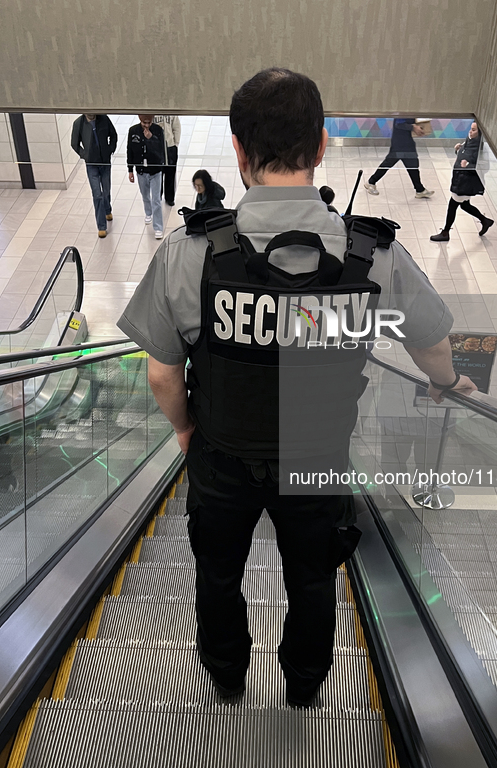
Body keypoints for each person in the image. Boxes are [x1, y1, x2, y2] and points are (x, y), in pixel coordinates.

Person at [117, 68, 475, 708]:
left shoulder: (188, 254)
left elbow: (163, 372)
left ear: (237, 150)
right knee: (313, 580)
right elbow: (432, 344)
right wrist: (447, 383)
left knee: (219, 575)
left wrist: (182, 430)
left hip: (221, 458)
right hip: (317, 464)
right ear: (319, 148)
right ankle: (306, 689)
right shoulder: (374, 256)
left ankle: (226, 677)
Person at [430, 122, 494, 241]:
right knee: (464, 205)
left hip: (466, 182)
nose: (470, 132)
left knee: (453, 206)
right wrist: (458, 149)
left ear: (480, 133)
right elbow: (463, 155)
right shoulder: (468, 140)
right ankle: (485, 221)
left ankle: (445, 232)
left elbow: (484, 167)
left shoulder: (481, 148)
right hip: (459, 179)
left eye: (474, 130)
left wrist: (468, 166)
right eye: (471, 129)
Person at [71, 113, 117, 238]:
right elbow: (74, 144)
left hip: (105, 162)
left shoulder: (104, 118)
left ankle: (107, 209)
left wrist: (110, 149)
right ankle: (101, 226)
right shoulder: (78, 123)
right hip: (91, 164)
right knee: (97, 194)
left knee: (106, 190)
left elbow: (113, 135)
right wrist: (85, 155)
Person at [364, 119, 434, 199]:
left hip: (407, 141)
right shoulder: (403, 108)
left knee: (413, 164)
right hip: (399, 142)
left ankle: (420, 190)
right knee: (389, 162)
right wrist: (413, 127)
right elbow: (398, 124)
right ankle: (371, 182)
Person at [127, 115, 165, 239]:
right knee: (145, 195)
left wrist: (151, 139)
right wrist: (130, 170)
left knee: (156, 200)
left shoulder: (158, 131)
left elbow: (160, 151)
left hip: (155, 170)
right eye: (144, 123)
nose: (147, 125)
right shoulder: (133, 131)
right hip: (141, 170)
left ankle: (158, 227)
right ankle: (148, 212)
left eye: (149, 123)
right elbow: (130, 150)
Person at [154, 114, 181, 206]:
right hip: (157, 147)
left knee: (171, 173)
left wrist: (175, 143)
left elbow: (176, 128)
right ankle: (158, 195)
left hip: (170, 147)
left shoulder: (171, 113)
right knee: (157, 174)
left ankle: (170, 198)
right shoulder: (153, 113)